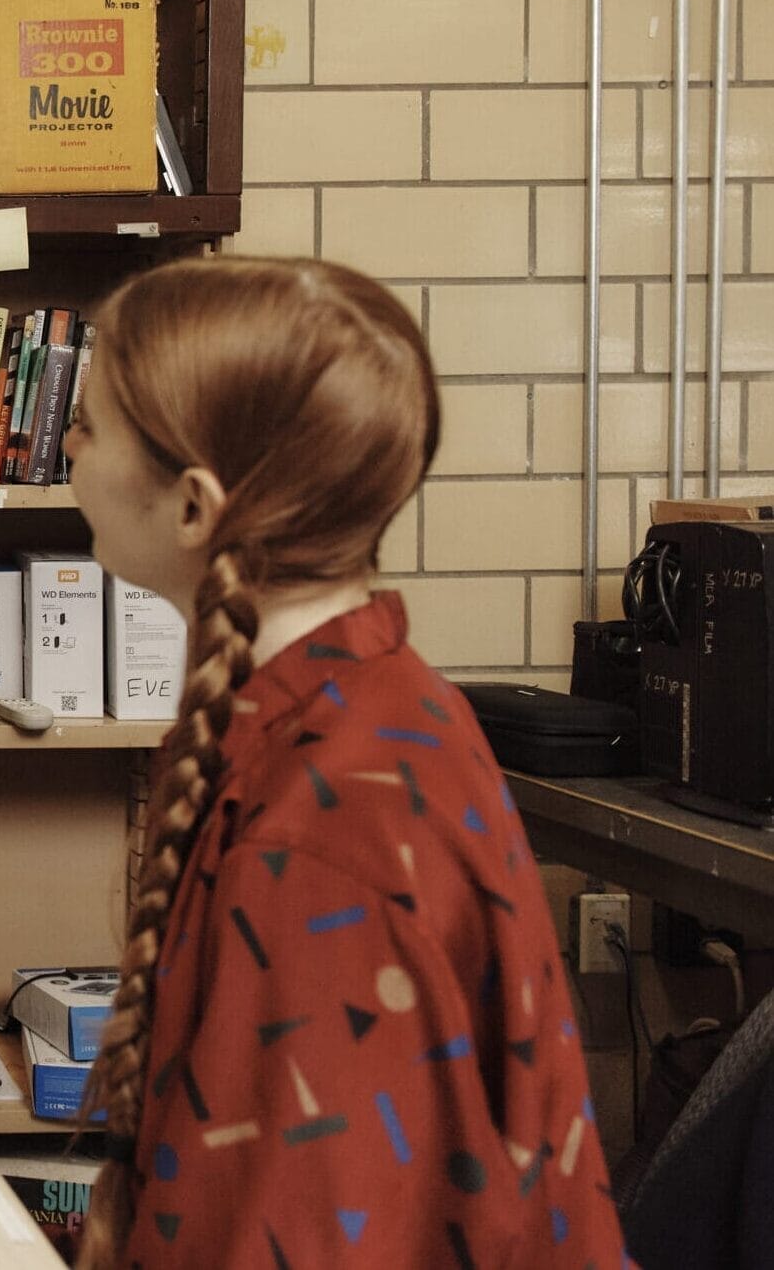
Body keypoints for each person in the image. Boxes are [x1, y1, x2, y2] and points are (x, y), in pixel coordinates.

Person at [62, 257, 626, 1267]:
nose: (67, 444)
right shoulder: (362, 710)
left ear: (195, 507)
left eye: (91, 423)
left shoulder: (324, 836)